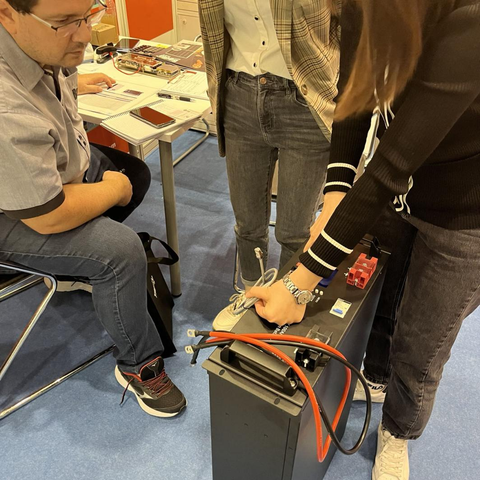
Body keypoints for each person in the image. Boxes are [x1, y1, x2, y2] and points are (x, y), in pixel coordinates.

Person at [247, 0, 480, 478]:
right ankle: (373, 378)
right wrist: (334, 194)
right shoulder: (364, 6)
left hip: (465, 210)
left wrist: (298, 284)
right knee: (376, 298)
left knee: (422, 341)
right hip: (403, 188)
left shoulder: (470, 20)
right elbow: (354, 100)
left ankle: (398, 430)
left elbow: (391, 166)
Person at [0, 0, 186, 417]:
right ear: (7, 13)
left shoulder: (41, 45)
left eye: (89, 14)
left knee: (135, 173)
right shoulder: (5, 107)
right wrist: (112, 191)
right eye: (66, 22)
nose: (85, 35)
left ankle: (78, 267)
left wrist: (74, 80)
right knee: (120, 249)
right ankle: (140, 366)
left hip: (49, 174)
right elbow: (48, 214)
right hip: (17, 212)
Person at [198, 0, 341, 330]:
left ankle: (290, 302)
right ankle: (252, 297)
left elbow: (349, 22)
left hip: (304, 100)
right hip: (237, 95)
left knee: (294, 228)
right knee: (247, 222)